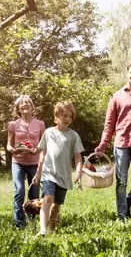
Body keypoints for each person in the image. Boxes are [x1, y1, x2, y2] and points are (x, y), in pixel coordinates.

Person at [95, 63, 131, 221]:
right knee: (122, 181)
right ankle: (122, 215)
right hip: (121, 145)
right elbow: (109, 124)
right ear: (127, 74)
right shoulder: (117, 96)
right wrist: (102, 145)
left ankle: (127, 202)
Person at [33, 101, 84, 236]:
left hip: (64, 175)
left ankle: (52, 230)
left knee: (56, 206)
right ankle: (42, 229)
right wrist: (38, 173)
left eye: (70, 117)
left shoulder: (73, 136)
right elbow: (42, 153)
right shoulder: (48, 133)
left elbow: (78, 157)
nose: (67, 119)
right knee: (47, 199)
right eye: (65, 115)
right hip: (49, 173)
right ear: (56, 117)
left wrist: (78, 173)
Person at [6, 95, 46, 228]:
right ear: (18, 108)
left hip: (34, 163)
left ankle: (33, 221)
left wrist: (37, 151)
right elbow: (9, 146)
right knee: (19, 192)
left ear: (31, 106)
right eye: (22, 103)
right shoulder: (13, 125)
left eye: (27, 102)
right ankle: (20, 225)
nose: (24, 105)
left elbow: (44, 145)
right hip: (18, 162)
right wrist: (15, 150)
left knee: (34, 194)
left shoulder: (40, 124)